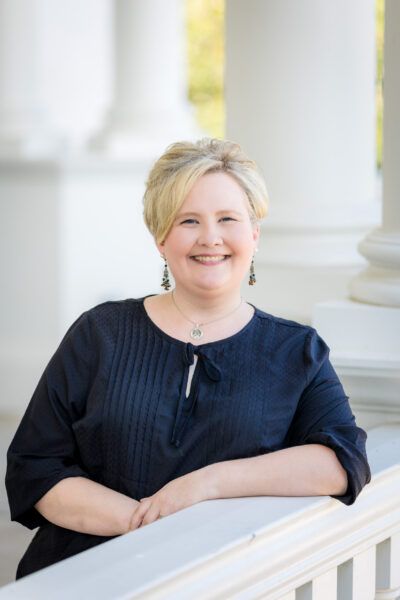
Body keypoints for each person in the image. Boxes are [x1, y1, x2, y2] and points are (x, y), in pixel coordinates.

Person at [6, 138, 371, 579]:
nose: (210, 238)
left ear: (254, 234)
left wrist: (206, 484)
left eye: (228, 219)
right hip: (79, 576)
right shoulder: (99, 333)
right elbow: (35, 465)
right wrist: (146, 523)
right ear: (161, 238)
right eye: (189, 220)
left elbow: (342, 461)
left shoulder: (296, 350)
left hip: (222, 581)